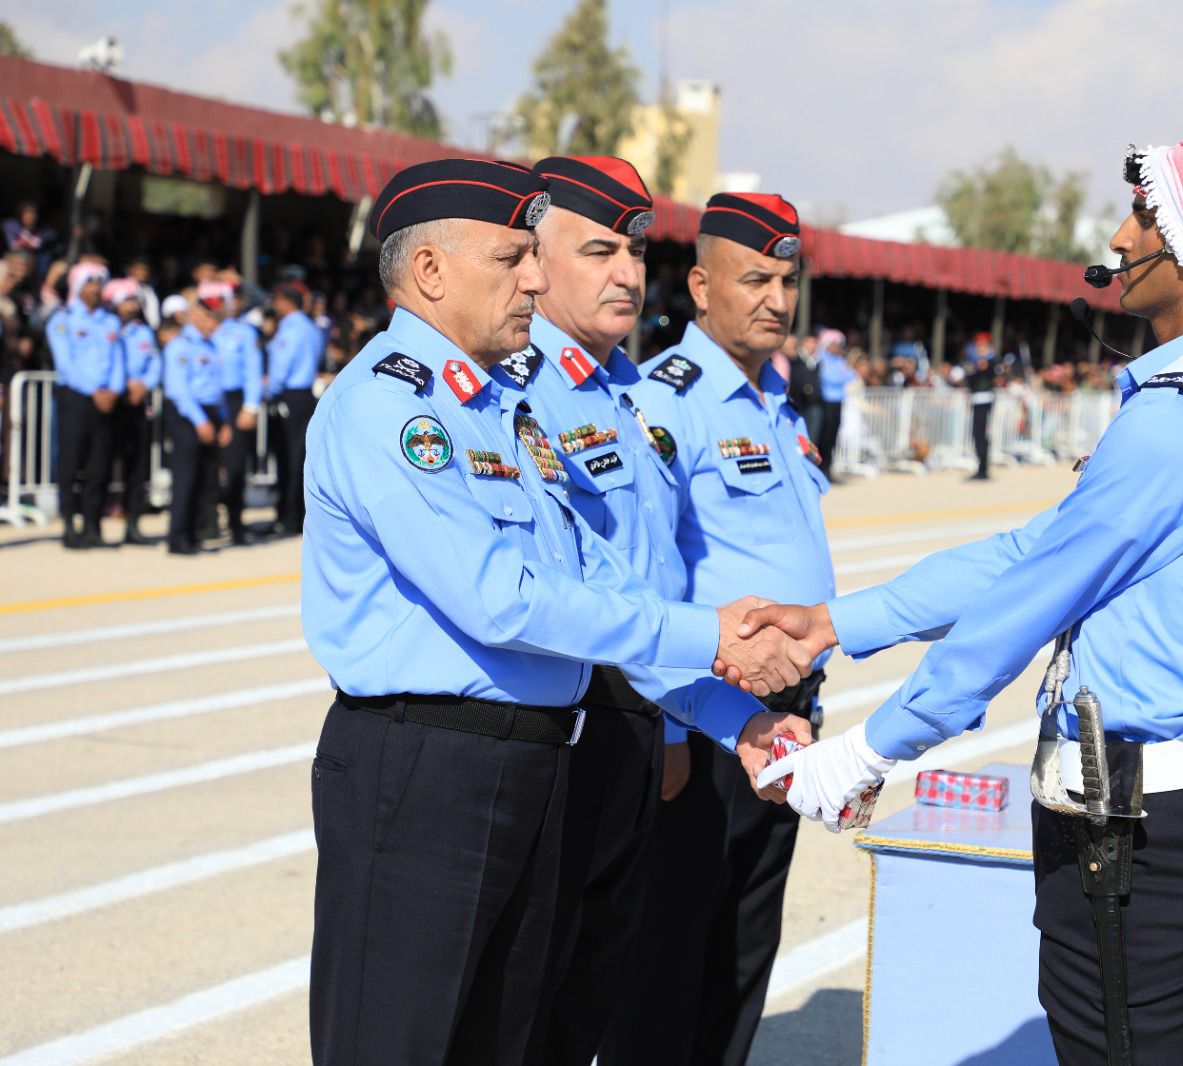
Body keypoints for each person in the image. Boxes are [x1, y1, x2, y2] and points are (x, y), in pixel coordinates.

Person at [747, 133, 1183, 1065]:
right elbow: (1038, 554)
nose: (1120, 238)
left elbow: (1027, 602)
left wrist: (867, 751)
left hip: (1144, 841)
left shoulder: (1179, 424)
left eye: (1145, 217)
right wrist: (835, 623)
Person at [299, 159, 811, 1066]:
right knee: (401, 1042)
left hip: (531, 763)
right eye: (512, 259)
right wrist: (711, 634)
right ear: (430, 273)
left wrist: (730, 713)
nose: (534, 278)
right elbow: (503, 601)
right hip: (424, 770)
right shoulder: (392, 407)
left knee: (521, 1043)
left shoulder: (498, 408)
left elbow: (601, 583)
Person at [616, 190, 834, 1066]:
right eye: (755, 280)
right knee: (669, 958)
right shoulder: (667, 400)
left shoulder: (775, 396)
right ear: (701, 287)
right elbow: (650, 574)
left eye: (788, 280)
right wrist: (671, 730)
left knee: (744, 949)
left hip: (784, 717)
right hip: (705, 723)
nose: (778, 300)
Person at [507, 154, 706, 1064]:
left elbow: (655, 565)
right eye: (599, 251)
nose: (628, 273)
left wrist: (672, 718)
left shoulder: (627, 388)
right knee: (535, 987)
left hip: (640, 710)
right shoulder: (517, 389)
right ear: (536, 260)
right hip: (573, 716)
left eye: (635, 251)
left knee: (596, 978)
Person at [45, 261, 122, 549]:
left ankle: (93, 526)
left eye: (99, 284)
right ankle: (69, 525)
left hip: (105, 400)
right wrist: (94, 391)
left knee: (99, 465)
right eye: (89, 283)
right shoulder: (63, 319)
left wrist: (113, 390)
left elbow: (117, 361)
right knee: (71, 462)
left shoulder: (110, 321)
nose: (95, 289)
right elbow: (65, 363)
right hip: (76, 397)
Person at [161, 287, 232, 555]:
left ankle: (195, 533)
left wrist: (223, 420)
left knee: (205, 477)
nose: (215, 324)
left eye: (218, 318)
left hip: (210, 413)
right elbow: (178, 390)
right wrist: (200, 422)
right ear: (197, 316)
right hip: (188, 415)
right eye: (211, 318)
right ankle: (178, 537)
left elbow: (216, 388)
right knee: (186, 477)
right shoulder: (180, 346)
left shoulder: (211, 346)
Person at [101, 277, 160, 545]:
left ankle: (133, 524)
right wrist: (120, 385)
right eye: (127, 300)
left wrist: (144, 385)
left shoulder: (143, 331)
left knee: (137, 466)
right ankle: (93, 526)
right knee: (102, 464)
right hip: (111, 402)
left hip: (137, 403)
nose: (132, 305)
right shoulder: (104, 328)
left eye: (135, 300)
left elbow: (155, 362)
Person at [266, 281, 323, 534]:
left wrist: (269, 392)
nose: (275, 305)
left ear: (287, 302)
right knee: (299, 456)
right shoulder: (311, 327)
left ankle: (287, 517)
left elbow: (281, 366)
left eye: (278, 300)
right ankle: (297, 514)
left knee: (287, 457)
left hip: (289, 395)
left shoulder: (290, 328)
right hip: (304, 395)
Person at [210, 280, 264, 544]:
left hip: (234, 401)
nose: (227, 304)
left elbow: (253, 371)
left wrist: (250, 407)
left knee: (234, 466)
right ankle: (206, 522)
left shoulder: (244, 332)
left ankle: (235, 522)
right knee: (206, 465)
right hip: (208, 401)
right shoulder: (202, 330)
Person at [817, 327, 854, 476]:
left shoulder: (839, 361)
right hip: (825, 402)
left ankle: (827, 467)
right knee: (823, 436)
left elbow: (851, 376)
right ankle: (820, 468)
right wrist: (841, 377)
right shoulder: (821, 359)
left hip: (838, 401)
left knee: (833, 435)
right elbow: (830, 378)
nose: (839, 348)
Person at [965, 330, 999, 479]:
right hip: (976, 399)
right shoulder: (974, 361)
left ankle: (983, 469)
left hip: (985, 399)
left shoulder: (991, 361)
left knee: (981, 435)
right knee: (977, 435)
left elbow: (993, 376)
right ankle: (981, 467)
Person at [787, 332, 824, 441]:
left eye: (814, 343)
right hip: (798, 404)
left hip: (814, 404)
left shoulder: (818, 362)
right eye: (809, 342)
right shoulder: (795, 359)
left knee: (812, 439)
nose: (811, 346)